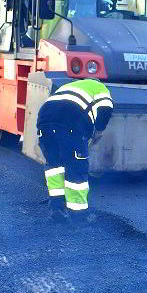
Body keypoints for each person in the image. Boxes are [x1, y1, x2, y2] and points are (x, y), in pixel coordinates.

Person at [36, 78, 114, 220]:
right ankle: (79, 216)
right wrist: (99, 131)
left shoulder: (69, 86)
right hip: (70, 127)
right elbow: (105, 108)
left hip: (44, 123)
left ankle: (57, 210)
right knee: (76, 170)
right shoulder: (101, 88)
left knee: (55, 167)